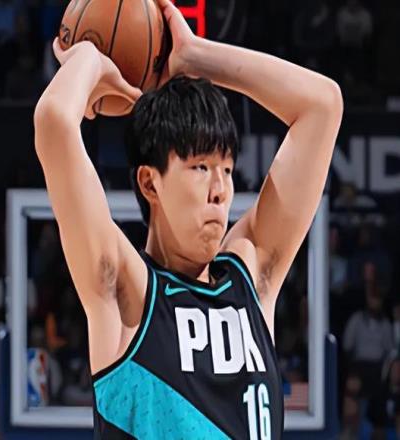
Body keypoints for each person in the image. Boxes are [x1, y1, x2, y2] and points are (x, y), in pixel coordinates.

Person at [33, 0, 343, 437]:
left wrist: (196, 57)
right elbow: (54, 121)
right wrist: (88, 56)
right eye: (200, 167)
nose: (220, 189)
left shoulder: (251, 280)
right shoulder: (128, 293)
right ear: (150, 182)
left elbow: (323, 105)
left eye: (227, 170)